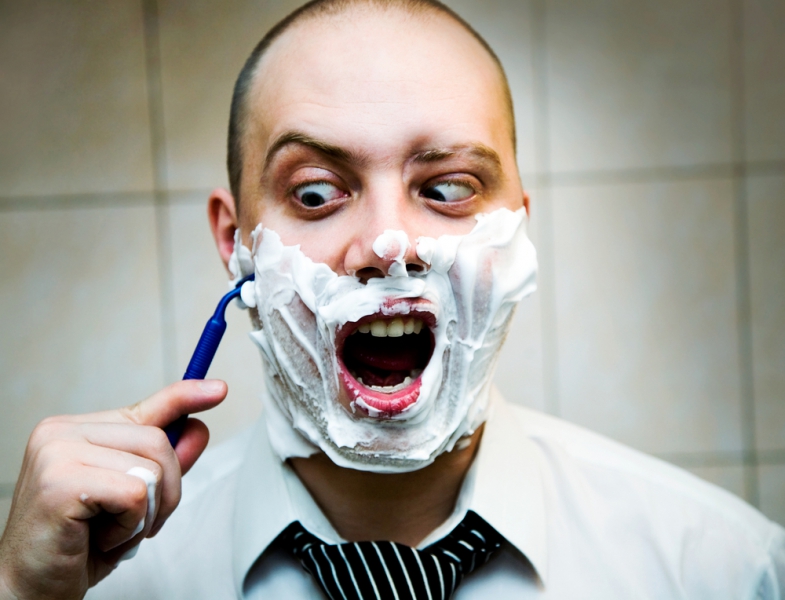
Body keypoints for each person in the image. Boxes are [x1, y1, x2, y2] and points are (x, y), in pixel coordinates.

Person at [1, 1, 783, 598]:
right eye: (315, 193)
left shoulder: (719, 570)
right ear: (236, 241)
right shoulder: (105, 582)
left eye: (446, 188)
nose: (388, 244)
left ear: (515, 235)